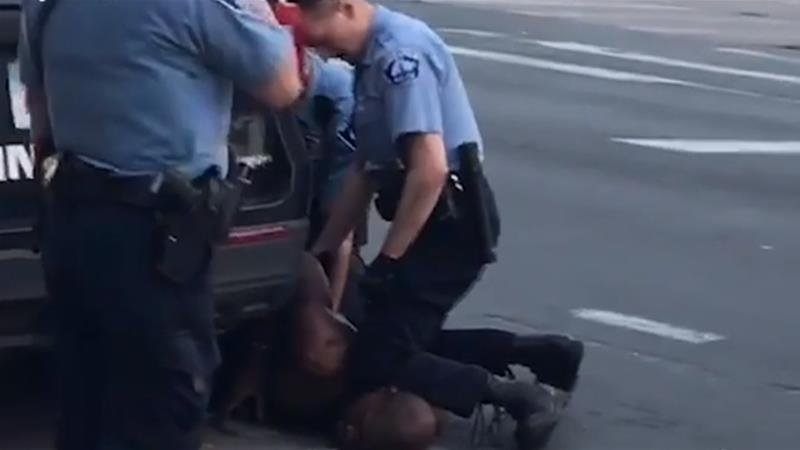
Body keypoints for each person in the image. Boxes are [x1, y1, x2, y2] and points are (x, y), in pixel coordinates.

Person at [291, 0, 583, 447]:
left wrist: (390, 261)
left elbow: (429, 170)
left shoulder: (400, 57)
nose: (321, 51)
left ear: (344, 8)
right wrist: (324, 248)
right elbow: (366, 170)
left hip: (450, 224)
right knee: (392, 337)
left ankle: (520, 397)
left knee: (378, 357)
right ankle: (542, 354)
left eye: (320, 36)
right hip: (429, 220)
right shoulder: (368, 60)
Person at [18, 0, 301, 449]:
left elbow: (38, 109)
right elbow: (283, 84)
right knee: (162, 404)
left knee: (87, 397)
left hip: (73, 220)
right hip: (152, 238)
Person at [215, 253, 583, 448]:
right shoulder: (323, 354)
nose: (347, 436)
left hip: (350, 328)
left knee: (408, 353)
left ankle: (535, 354)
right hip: (342, 295)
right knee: (394, 355)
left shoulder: (352, 389)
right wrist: (254, 365)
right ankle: (517, 385)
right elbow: (301, 265)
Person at [275, 0, 366, 309]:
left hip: (333, 153)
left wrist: (331, 311)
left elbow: (341, 227)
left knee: (333, 230)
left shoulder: (337, 95)